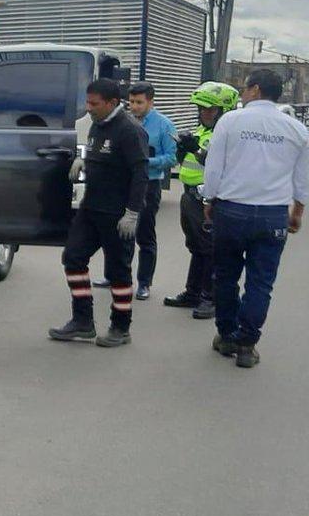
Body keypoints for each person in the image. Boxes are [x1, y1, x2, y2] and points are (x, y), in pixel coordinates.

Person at [201, 69, 309, 368]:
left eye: (245, 87)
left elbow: (213, 169)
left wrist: (209, 200)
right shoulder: (295, 129)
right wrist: (297, 214)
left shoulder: (230, 121)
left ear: (256, 89)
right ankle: (247, 345)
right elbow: (303, 179)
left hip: (231, 210)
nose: (243, 91)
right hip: (272, 215)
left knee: (225, 276)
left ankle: (226, 335)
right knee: (261, 284)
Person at [49, 78, 150, 348]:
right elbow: (99, 153)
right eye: (88, 102)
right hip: (91, 209)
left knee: (119, 271)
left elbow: (140, 173)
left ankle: (120, 327)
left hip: (118, 215)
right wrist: (84, 161)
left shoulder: (130, 130)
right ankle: (83, 321)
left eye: (94, 104)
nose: (88, 108)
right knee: (72, 257)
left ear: (112, 103)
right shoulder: (98, 124)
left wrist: (132, 213)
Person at [90, 81, 177, 300]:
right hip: (121, 185)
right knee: (116, 233)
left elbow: (172, 157)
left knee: (144, 235)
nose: (135, 107)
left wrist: (145, 162)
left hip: (148, 184)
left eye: (140, 102)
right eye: (132, 102)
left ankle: (144, 283)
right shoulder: (123, 123)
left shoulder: (164, 125)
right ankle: (114, 276)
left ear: (151, 101)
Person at [163, 81, 239, 320]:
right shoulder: (202, 132)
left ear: (224, 111)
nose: (205, 113)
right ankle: (193, 292)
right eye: (202, 109)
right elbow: (182, 162)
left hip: (209, 199)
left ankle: (210, 297)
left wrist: (197, 150)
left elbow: (221, 166)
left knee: (210, 249)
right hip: (189, 196)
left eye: (211, 110)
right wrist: (182, 148)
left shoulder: (226, 135)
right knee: (196, 247)